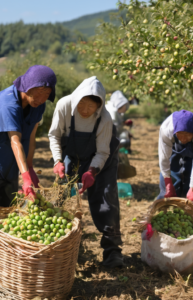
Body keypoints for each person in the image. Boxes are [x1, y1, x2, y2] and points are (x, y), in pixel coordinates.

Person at [0, 65, 57, 276]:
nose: (42, 97)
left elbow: (30, 136)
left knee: (7, 204)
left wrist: (30, 167)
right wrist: (25, 176)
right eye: (39, 92)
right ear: (27, 86)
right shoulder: (8, 102)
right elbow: (15, 139)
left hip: (9, 155)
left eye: (47, 94)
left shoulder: (38, 106)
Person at [49, 76, 123, 268]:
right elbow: (55, 135)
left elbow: (102, 151)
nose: (85, 110)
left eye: (91, 107)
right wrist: (57, 161)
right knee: (60, 196)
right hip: (72, 156)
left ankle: (112, 250)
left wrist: (92, 171)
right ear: (76, 99)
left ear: (98, 107)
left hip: (101, 160)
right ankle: (59, 244)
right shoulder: (64, 106)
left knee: (106, 200)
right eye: (82, 104)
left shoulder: (104, 118)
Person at [156, 110, 193, 267]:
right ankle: (161, 245)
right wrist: (168, 182)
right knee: (166, 196)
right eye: (180, 135)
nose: (183, 139)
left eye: (187, 136)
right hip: (174, 153)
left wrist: (192, 188)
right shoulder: (166, 129)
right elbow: (164, 159)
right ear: (175, 132)